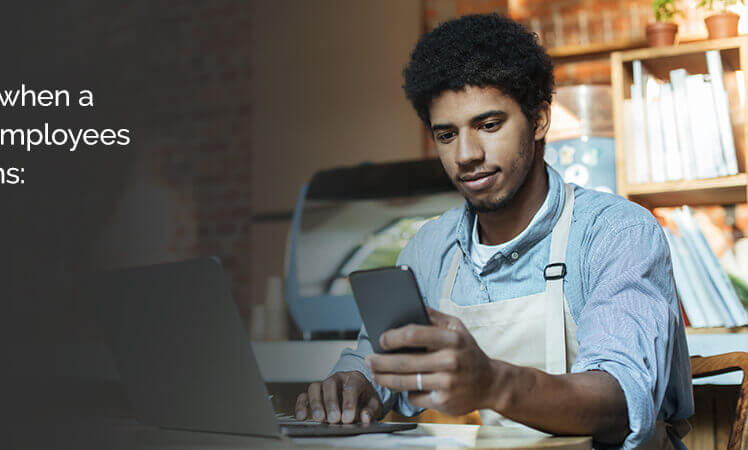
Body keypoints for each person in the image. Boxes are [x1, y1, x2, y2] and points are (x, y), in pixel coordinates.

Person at [293, 14, 693, 449]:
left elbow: (619, 403)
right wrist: (354, 386)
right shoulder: (428, 249)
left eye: (488, 125)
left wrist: (494, 382)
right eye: (447, 134)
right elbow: (379, 363)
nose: (466, 155)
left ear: (539, 120)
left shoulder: (615, 233)